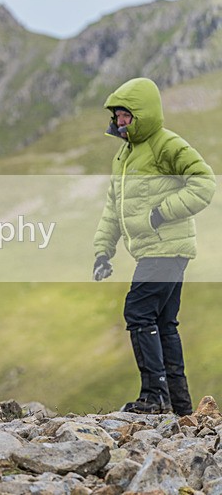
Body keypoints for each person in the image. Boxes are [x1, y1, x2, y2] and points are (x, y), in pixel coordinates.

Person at [93, 77, 215, 415]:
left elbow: (204, 183)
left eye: (125, 116)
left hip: (168, 247)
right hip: (152, 252)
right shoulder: (124, 157)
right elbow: (113, 210)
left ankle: (154, 397)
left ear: (142, 114)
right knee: (163, 323)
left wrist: (161, 213)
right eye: (116, 116)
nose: (119, 122)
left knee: (138, 310)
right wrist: (103, 251)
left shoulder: (166, 144)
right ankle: (179, 405)